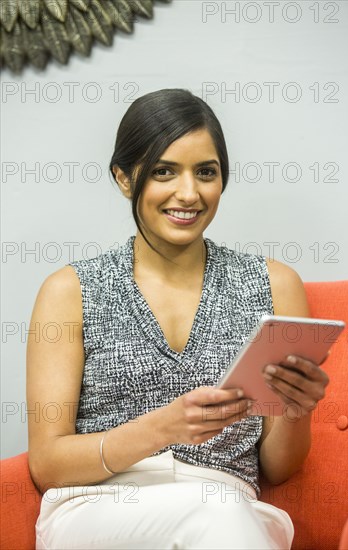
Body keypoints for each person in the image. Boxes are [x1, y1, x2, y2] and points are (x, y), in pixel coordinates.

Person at [28, 88, 329, 550]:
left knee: (223, 514)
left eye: (205, 172)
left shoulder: (275, 285)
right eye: (164, 171)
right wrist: (164, 428)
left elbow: (278, 467)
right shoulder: (69, 291)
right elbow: (47, 463)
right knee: (222, 517)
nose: (188, 194)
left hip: (228, 505)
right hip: (97, 508)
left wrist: (294, 410)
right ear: (125, 178)